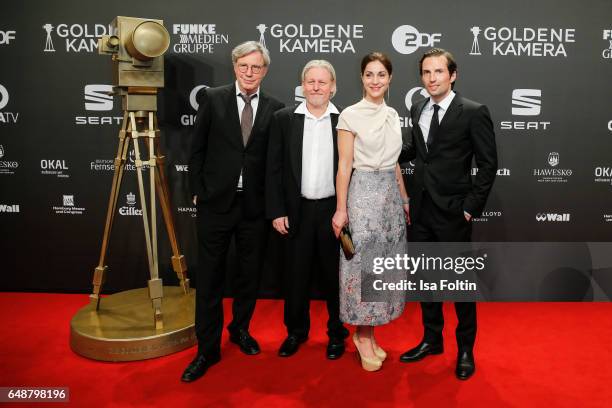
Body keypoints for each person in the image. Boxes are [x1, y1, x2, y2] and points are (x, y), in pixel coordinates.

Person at [182, 41, 284, 382]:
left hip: (253, 208)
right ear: (235, 67)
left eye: (256, 67)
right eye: (244, 66)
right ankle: (206, 349)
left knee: (248, 276)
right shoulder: (212, 98)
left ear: (265, 70)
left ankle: (239, 329)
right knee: (209, 278)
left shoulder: (275, 108)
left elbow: (274, 164)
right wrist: (197, 191)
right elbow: (195, 149)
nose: (250, 72)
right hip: (216, 204)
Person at [398, 48, 497, 380]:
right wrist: (379, 148)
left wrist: (470, 208)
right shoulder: (417, 106)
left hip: (454, 212)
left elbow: (488, 164)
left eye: (438, 72)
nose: (431, 78)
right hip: (422, 209)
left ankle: (466, 348)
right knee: (427, 280)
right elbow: (415, 151)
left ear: (452, 75)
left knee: (460, 284)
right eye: (426, 72)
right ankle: (432, 339)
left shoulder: (472, 111)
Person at [266, 60, 349, 359]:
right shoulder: (283, 119)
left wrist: (345, 210)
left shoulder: (345, 120)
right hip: (296, 211)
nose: (315, 87)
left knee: (336, 278)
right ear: (302, 86)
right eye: (310, 82)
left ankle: (337, 334)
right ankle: (296, 332)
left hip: (335, 212)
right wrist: (277, 210)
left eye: (322, 82)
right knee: (295, 276)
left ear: (333, 87)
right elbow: (273, 169)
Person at [331, 52, 409, 371]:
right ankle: (361, 337)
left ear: (389, 79)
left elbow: (395, 163)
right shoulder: (350, 115)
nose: (375, 80)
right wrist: (340, 209)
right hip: (362, 195)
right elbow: (344, 165)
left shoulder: (392, 114)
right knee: (362, 268)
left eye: (381, 75)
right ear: (361, 78)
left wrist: (404, 200)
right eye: (369, 74)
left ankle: (370, 334)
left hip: (389, 199)